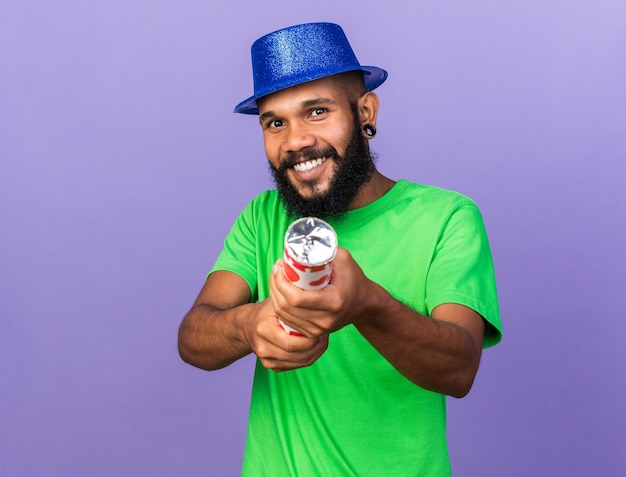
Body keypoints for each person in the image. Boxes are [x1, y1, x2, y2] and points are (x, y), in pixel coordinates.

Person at [178, 22, 502, 476]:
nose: (295, 141)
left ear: (365, 111)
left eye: (316, 112)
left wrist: (367, 303)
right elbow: (194, 336)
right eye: (275, 122)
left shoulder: (446, 218)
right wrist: (249, 323)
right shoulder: (262, 216)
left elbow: (459, 368)